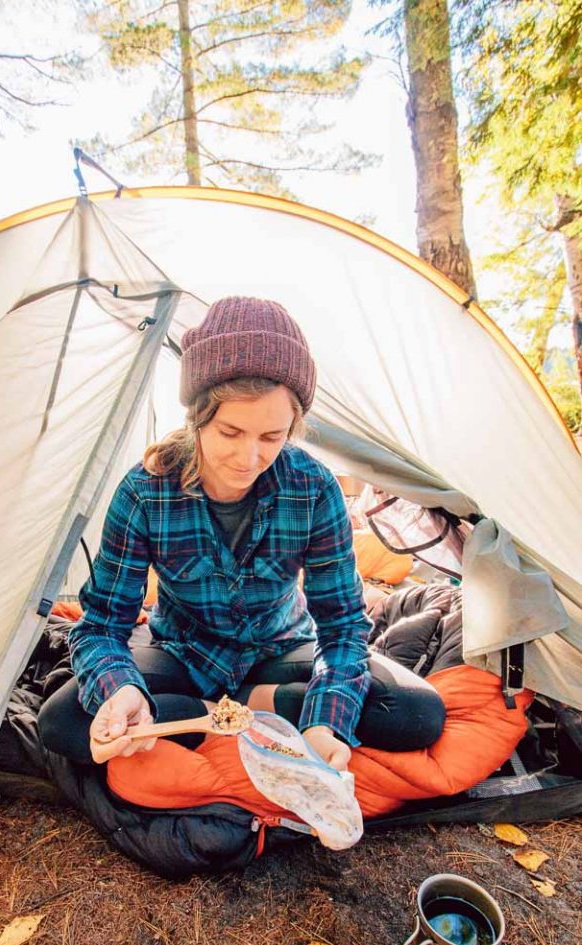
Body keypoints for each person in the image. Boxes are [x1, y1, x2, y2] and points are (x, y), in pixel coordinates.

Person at [39, 297, 445, 770]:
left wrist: (324, 722)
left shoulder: (314, 489)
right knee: (63, 720)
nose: (249, 458)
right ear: (197, 418)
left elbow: (342, 626)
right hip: (182, 653)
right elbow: (102, 626)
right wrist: (123, 689)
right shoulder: (144, 493)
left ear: (292, 428)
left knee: (415, 712)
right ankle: (225, 713)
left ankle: (228, 713)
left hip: (282, 649)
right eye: (231, 432)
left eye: (271, 438)